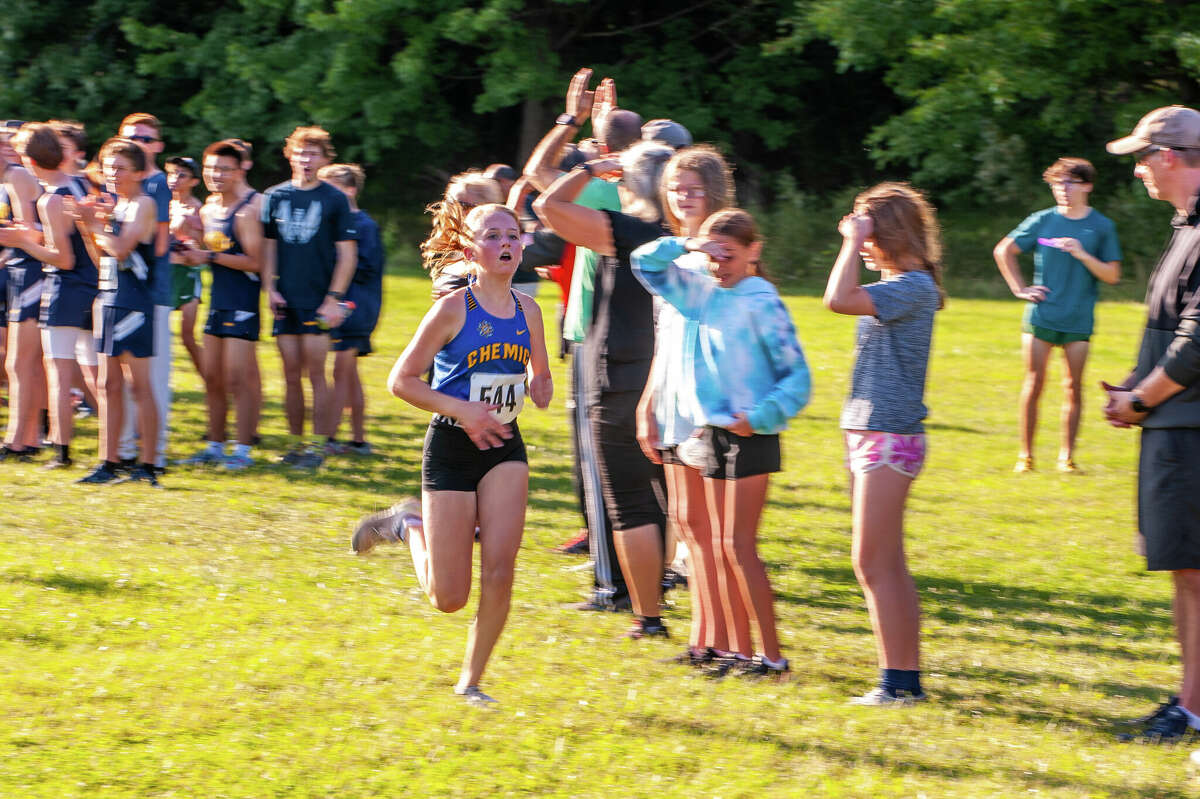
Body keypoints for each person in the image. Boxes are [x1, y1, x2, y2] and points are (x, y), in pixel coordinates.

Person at [350, 202, 552, 706]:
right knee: (449, 597)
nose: (506, 243)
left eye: (513, 234)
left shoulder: (531, 310)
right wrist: (463, 410)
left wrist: (539, 383)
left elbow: (538, 375)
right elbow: (402, 381)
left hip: (504, 444)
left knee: (502, 569)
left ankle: (472, 680)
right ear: (469, 248)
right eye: (493, 235)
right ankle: (407, 524)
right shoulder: (452, 309)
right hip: (451, 445)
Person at [632, 208, 810, 677]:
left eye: (727, 255)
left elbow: (797, 379)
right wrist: (689, 246)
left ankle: (773, 658)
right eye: (712, 256)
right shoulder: (699, 295)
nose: (718, 266)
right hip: (707, 435)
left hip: (750, 435)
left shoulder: (762, 300)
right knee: (718, 547)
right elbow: (644, 262)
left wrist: (760, 417)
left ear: (754, 251)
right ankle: (737, 653)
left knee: (738, 546)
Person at [535, 140, 674, 638]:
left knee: (628, 500)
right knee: (667, 501)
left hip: (621, 377)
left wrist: (593, 167)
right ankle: (670, 609)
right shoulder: (690, 233)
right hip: (671, 376)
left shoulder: (631, 232)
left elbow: (546, 205)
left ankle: (641, 611)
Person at [522, 68, 644, 610]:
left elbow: (536, 174)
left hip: (599, 333)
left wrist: (570, 122)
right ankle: (644, 576)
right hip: (630, 334)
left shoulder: (601, 188)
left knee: (604, 467)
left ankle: (612, 585)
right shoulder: (646, 194)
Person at [824, 182, 946, 705]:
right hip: (871, 432)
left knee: (872, 562)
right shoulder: (901, 284)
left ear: (888, 232)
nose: (863, 242)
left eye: (870, 232)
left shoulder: (913, 286)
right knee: (885, 562)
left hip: (889, 437)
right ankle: (900, 680)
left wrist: (851, 242)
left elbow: (837, 299)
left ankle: (899, 683)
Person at [1101, 105, 1200, 743]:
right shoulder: (1187, 226)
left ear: (1168, 157)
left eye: (1142, 157)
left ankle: (1194, 709)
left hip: (1189, 427)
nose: (1138, 170)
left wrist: (1142, 399)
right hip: (1174, 422)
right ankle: (1191, 702)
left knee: (1195, 570)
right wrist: (1138, 388)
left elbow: (1198, 343)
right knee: (1186, 570)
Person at [626, 145, 738, 666]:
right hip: (669, 402)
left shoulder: (726, 254)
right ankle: (702, 640)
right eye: (676, 188)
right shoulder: (672, 252)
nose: (684, 197)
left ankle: (723, 641)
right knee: (688, 526)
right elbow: (663, 337)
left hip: (708, 407)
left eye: (694, 189)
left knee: (712, 535)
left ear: (715, 193)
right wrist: (648, 403)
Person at [994, 157, 1121, 473]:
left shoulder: (1102, 226)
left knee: (1073, 387)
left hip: (1078, 319)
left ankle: (1067, 458)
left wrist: (1081, 253)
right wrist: (1020, 289)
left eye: (1069, 183)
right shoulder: (1042, 220)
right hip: (1042, 317)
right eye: (1056, 184)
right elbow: (1003, 250)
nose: (1062, 190)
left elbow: (1112, 276)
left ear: (1087, 186)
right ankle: (1026, 456)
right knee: (1034, 384)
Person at [260, 126, 357, 468]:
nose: (305, 160)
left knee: (317, 372)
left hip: (319, 299)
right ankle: (294, 443)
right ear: (289, 155)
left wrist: (333, 298)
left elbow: (347, 255)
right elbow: (268, 248)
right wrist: (269, 287)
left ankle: (318, 447)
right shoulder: (274, 196)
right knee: (289, 373)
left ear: (325, 159)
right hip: (285, 299)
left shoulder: (334, 199)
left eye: (313, 154)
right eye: (300, 153)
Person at [5, 123, 98, 470]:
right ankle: (117, 446)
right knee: (89, 372)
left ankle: (61, 450)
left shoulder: (50, 198)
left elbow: (63, 257)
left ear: (29, 160)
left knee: (58, 371)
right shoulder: (76, 183)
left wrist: (23, 242)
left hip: (66, 287)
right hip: (90, 286)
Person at [74, 137, 161, 486]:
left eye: (120, 167)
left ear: (138, 172)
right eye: (108, 166)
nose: (112, 173)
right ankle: (109, 461)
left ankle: (150, 465)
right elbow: (104, 261)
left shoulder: (142, 205)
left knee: (139, 386)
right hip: (109, 298)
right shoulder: (116, 207)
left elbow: (123, 250)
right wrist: (85, 226)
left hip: (135, 304)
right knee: (106, 384)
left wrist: (94, 226)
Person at [178, 140, 264, 470]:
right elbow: (209, 249)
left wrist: (208, 255)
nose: (217, 174)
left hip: (244, 303)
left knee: (238, 379)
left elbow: (256, 261)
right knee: (212, 377)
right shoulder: (210, 208)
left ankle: (242, 450)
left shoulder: (250, 208)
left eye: (225, 169)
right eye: (211, 168)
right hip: (218, 301)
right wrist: (190, 238)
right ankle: (214, 444)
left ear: (240, 169)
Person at [116, 113, 172, 471]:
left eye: (147, 139)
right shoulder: (114, 178)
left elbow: (162, 244)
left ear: (159, 146)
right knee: (121, 379)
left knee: (152, 379)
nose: (141, 143)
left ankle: (156, 454)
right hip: (120, 292)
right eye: (133, 137)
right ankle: (124, 450)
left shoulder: (157, 184)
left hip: (153, 293)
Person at [318, 163, 384, 455]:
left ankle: (327, 440)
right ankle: (359, 441)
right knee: (350, 374)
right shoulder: (333, 224)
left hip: (355, 308)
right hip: (342, 306)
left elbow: (366, 267)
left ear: (350, 190)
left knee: (340, 374)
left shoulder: (364, 225)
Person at [0, 120, 47, 460]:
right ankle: (26, 438)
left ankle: (18, 441)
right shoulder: (10, 178)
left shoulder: (16, 176)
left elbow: (31, 233)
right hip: (21, 268)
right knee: (24, 364)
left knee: (21, 363)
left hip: (31, 269)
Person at [421, 172, 505, 300]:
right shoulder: (460, 243)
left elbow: (502, 301)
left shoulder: (495, 246)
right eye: (450, 203)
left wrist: (461, 299)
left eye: (463, 205)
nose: (453, 210)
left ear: (486, 208)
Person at [166, 155, 205, 377]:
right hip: (166, 273)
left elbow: (198, 249)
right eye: (171, 173)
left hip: (187, 275)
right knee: (159, 332)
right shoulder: (166, 205)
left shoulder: (197, 210)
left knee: (187, 336)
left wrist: (184, 238)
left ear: (194, 181)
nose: (175, 179)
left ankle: (209, 378)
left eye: (182, 175)